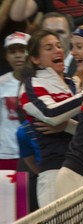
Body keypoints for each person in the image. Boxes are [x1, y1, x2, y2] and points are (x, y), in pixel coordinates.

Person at [19, 29, 83, 207]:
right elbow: (51, 114)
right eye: (48, 48)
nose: (58, 50)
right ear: (35, 59)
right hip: (54, 172)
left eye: (58, 46)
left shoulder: (74, 84)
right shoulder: (31, 86)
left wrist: (66, 126)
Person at [0, 31, 29, 171]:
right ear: (7, 56)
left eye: (22, 50)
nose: (18, 55)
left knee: (23, 193)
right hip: (6, 154)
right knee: (7, 194)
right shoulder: (1, 83)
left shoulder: (39, 82)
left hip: (31, 153)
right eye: (12, 51)